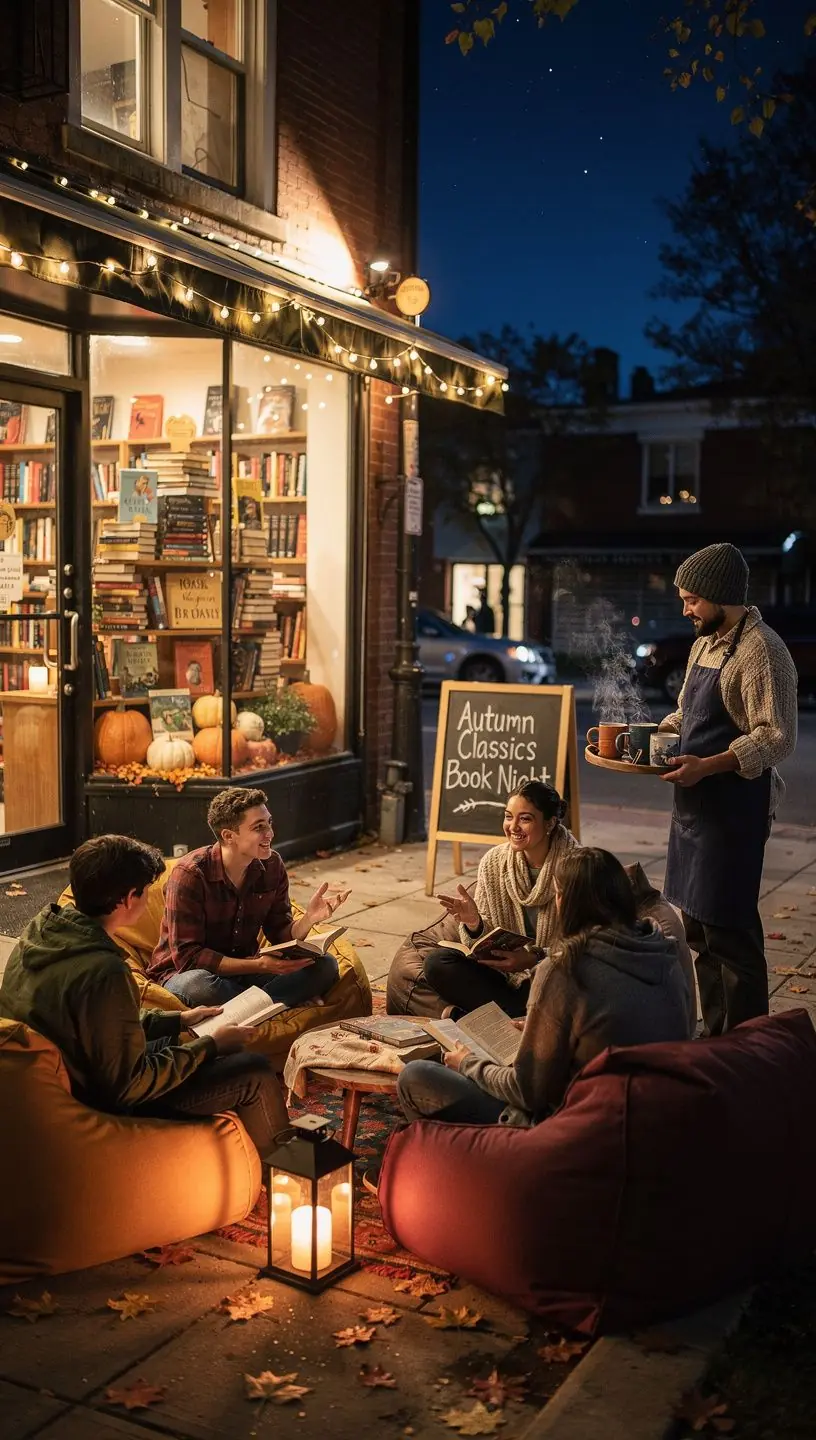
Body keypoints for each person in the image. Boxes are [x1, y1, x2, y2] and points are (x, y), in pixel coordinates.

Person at [0, 835, 287, 1156]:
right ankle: (286, 1172)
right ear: (126, 899)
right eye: (146, 891)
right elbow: (128, 1086)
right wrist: (210, 1046)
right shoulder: (104, 970)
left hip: (59, 1078)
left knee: (184, 1038)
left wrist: (177, 1019)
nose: (152, 897)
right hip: (97, 1101)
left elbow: (97, 1023)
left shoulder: (44, 930)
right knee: (255, 1072)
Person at [397, 847, 690, 1128]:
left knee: (416, 1076)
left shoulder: (565, 968)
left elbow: (528, 1092)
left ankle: (451, 1167)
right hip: (657, 1115)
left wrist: (467, 1064)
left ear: (568, 902)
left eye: (558, 894)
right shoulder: (662, 950)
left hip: (574, 1125)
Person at [659, 543, 798, 1035]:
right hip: (694, 807)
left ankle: (748, 1051)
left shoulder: (763, 651)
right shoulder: (703, 644)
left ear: (721, 596)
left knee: (731, 935)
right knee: (697, 928)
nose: (686, 609)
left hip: (734, 812)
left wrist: (710, 764)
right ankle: (715, 1042)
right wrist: (650, 739)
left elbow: (776, 736)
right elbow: (685, 715)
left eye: (693, 599)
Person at [149, 787, 350, 1010]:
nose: (270, 834)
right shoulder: (190, 874)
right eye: (259, 828)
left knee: (325, 966)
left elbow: (279, 933)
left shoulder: (272, 865)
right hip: (187, 974)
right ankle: (278, 1003)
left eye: (269, 823)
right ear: (228, 836)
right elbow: (189, 958)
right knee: (199, 987)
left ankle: (249, 1007)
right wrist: (261, 965)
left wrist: (309, 919)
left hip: (248, 971)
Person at [427, 780, 579, 1018]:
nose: (513, 827)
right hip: (505, 978)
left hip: (553, 975)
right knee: (438, 963)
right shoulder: (494, 861)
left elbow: (586, 945)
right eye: (509, 817)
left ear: (549, 823)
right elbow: (483, 938)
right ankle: (516, 1019)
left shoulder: (577, 867)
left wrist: (534, 959)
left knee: (562, 981)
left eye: (525, 819)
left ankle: (484, 1020)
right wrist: (473, 923)